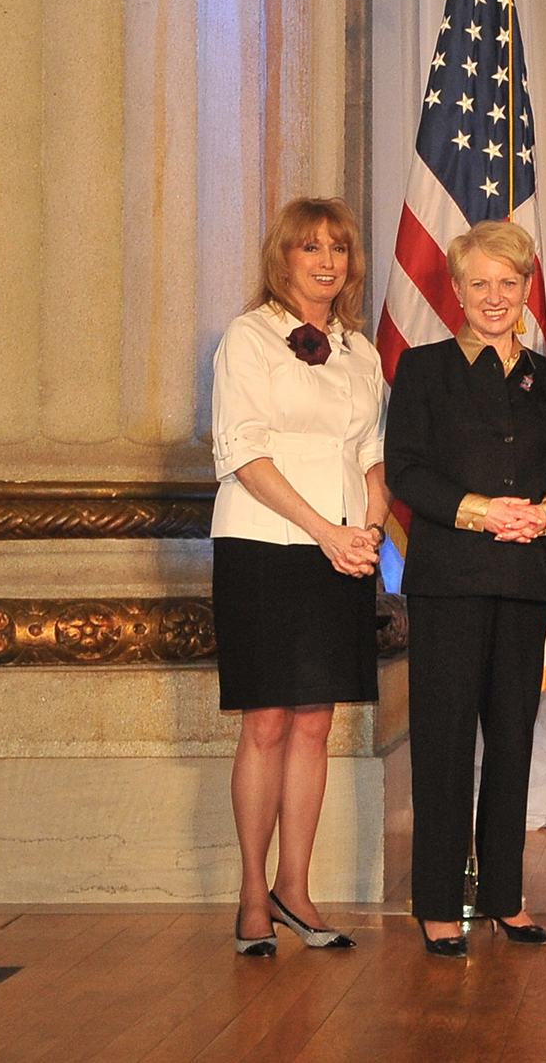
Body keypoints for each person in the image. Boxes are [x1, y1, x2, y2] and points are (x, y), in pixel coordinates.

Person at [210, 196, 388, 957]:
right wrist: (327, 534)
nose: (325, 260)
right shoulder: (247, 339)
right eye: (310, 247)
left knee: (316, 721)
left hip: (344, 548)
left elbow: (373, 456)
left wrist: (368, 531)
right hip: (266, 543)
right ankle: (253, 895)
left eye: (338, 249)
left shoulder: (361, 349)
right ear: (282, 258)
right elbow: (242, 452)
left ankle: (296, 888)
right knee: (267, 721)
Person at [384, 220, 546, 959]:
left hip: (524, 579)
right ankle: (437, 901)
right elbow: (407, 472)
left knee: (514, 743)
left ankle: (503, 897)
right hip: (449, 581)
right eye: (479, 283)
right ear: (455, 290)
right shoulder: (423, 370)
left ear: (527, 289)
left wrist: (545, 515)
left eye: (509, 282)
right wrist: (481, 512)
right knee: (446, 741)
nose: (495, 297)